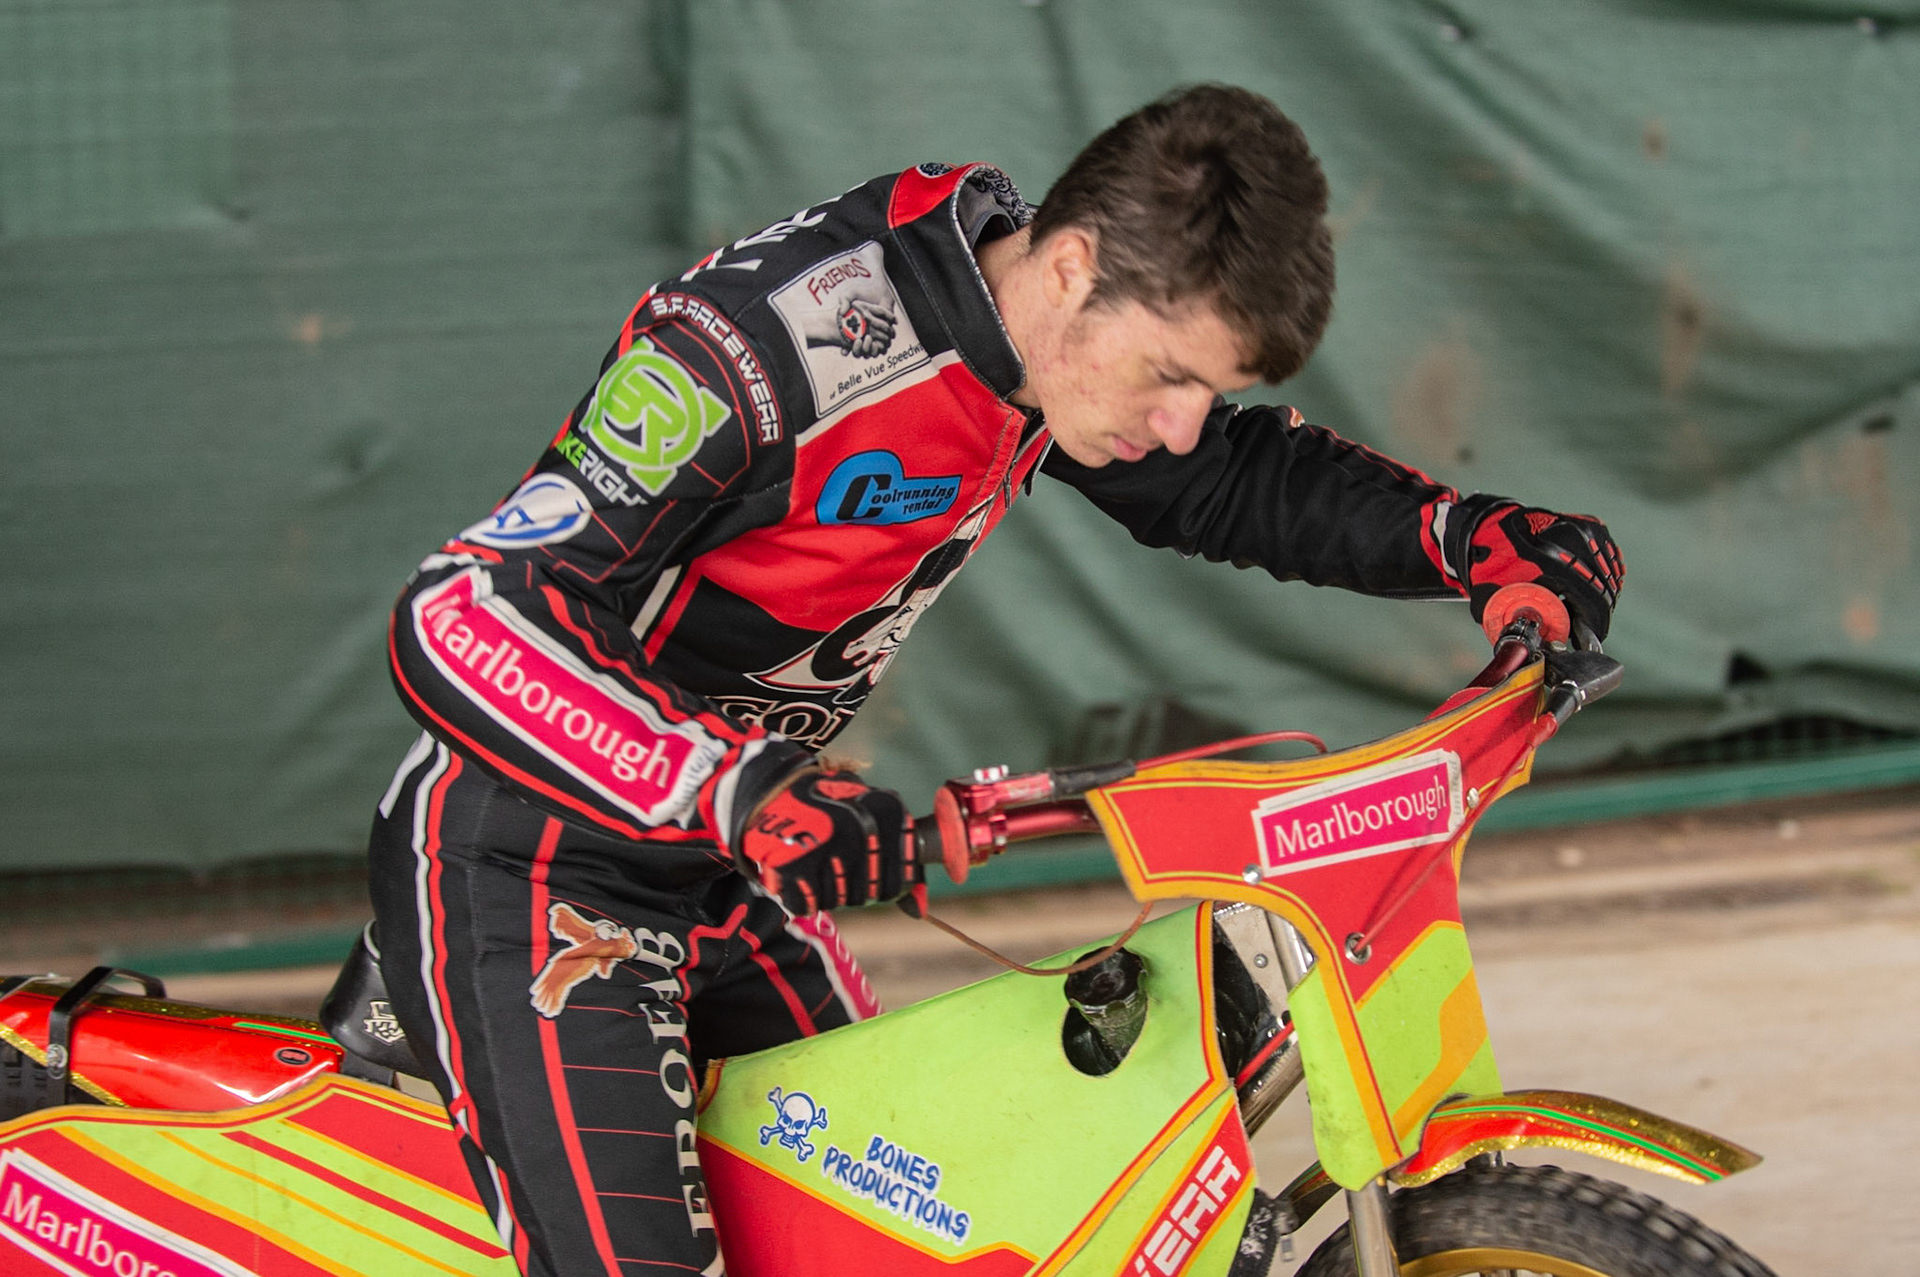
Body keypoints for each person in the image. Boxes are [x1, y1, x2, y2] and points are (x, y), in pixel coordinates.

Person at [366, 83, 1624, 1276]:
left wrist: (1475, 540)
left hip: (730, 861)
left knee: (901, 1226)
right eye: (1174, 375)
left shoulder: (1036, 344)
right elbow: (460, 610)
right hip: (536, 862)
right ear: (1073, 267)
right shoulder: (766, 348)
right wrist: (734, 787)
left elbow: (1227, 480)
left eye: (1214, 389)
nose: (1183, 420)